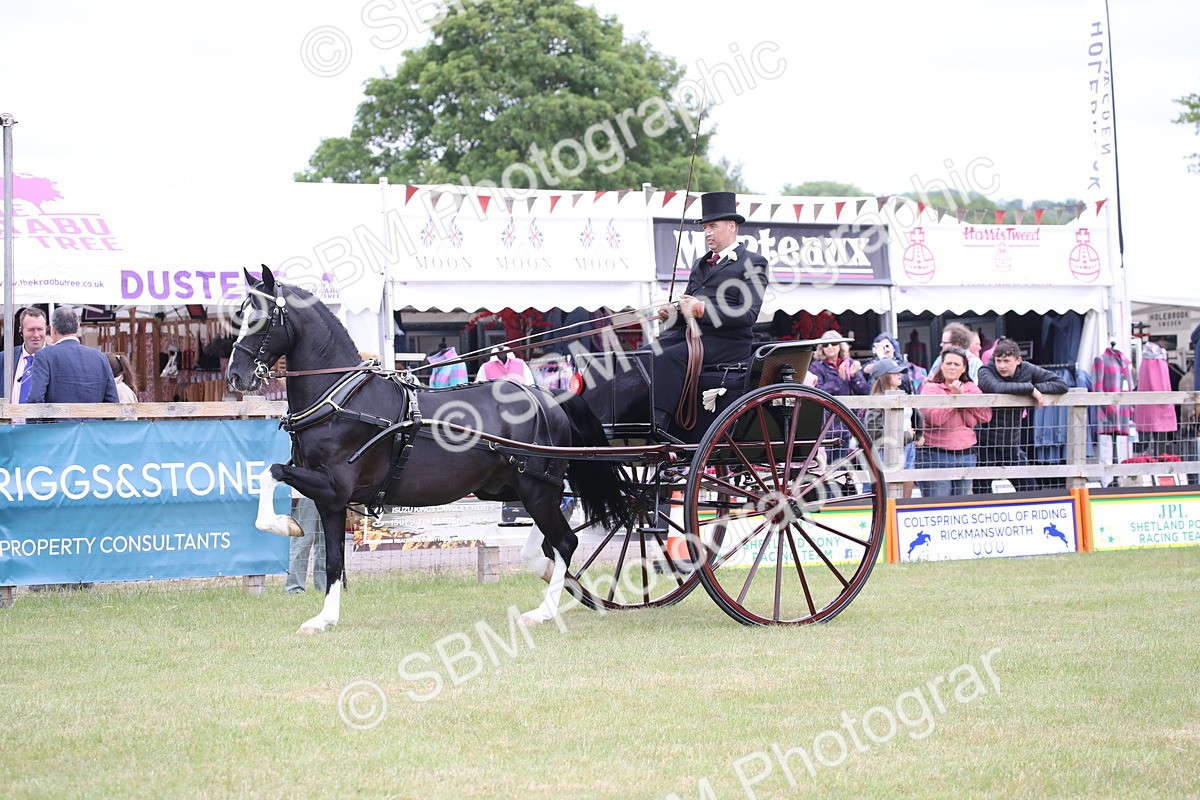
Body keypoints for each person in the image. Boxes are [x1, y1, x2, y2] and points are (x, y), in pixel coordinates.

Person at [651, 191, 767, 430]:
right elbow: (687, 307)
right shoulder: (700, 264)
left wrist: (702, 309)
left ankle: (660, 423)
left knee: (667, 358)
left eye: (712, 226)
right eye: (705, 227)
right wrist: (672, 314)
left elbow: (748, 315)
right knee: (644, 355)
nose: (707, 233)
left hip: (727, 343)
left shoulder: (754, 262)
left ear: (732, 226)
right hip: (693, 337)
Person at [975, 338, 1068, 493]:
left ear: (1018, 360)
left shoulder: (1027, 369)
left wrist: (1034, 388)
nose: (1002, 366)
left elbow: (1061, 384)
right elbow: (996, 387)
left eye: (1006, 361)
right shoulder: (986, 370)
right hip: (985, 444)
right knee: (982, 493)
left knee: (1030, 490)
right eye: (998, 360)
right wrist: (1029, 390)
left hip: (1012, 444)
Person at [917, 347, 991, 497]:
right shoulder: (931, 388)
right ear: (941, 366)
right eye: (948, 363)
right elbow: (935, 419)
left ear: (964, 368)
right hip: (936, 454)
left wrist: (963, 401)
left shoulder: (971, 388)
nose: (952, 367)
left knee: (959, 507)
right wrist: (955, 400)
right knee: (938, 505)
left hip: (966, 455)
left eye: (957, 364)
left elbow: (985, 416)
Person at [24, 305, 119, 419]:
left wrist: (34, 430)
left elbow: (35, 399)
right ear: (78, 327)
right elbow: (112, 403)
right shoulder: (100, 357)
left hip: (56, 432)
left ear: (53, 328)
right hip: (93, 432)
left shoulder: (44, 356)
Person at [861, 358, 924, 498]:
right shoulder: (876, 399)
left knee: (905, 490)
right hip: (884, 451)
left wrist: (918, 435)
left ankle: (902, 512)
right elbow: (874, 433)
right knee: (881, 494)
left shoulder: (902, 395)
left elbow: (914, 417)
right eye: (895, 372)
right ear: (883, 377)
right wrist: (908, 436)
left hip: (908, 447)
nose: (900, 374)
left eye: (900, 372)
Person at [808, 330, 869, 470]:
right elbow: (819, 392)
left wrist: (854, 376)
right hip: (824, 426)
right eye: (825, 344)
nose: (830, 346)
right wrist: (841, 379)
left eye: (834, 343)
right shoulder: (816, 367)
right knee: (824, 469)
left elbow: (864, 390)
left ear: (840, 346)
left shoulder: (849, 363)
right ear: (821, 348)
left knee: (840, 469)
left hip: (844, 425)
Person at [2, 308, 48, 420]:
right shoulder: (5, 358)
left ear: (46, 330)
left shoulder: (56, 359)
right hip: (9, 431)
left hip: (44, 430)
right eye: (31, 330)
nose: (36, 334)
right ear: (21, 331)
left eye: (40, 329)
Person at [286, 495, 327, 594]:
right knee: (302, 540)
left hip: (329, 487)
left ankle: (324, 587)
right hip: (305, 491)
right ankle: (294, 588)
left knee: (327, 541)